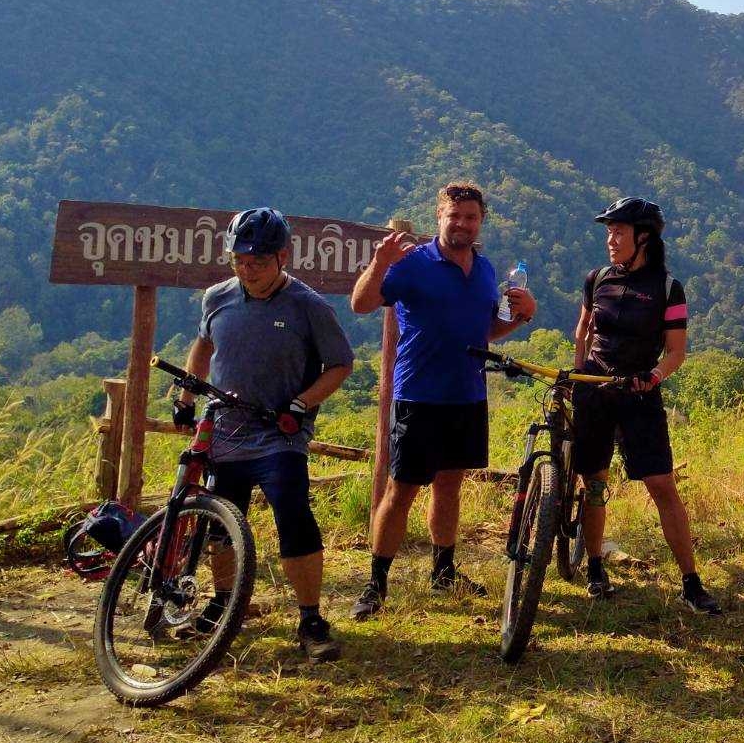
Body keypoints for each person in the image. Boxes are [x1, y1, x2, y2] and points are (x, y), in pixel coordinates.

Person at [347, 181, 537, 620]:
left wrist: (522, 317)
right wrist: (379, 264)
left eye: (471, 217)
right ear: (439, 218)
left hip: (467, 394)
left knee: (451, 486)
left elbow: (484, 332)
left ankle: (444, 571)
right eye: (454, 216)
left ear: (480, 222)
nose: (462, 224)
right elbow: (361, 303)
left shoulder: (486, 270)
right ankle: (375, 584)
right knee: (402, 490)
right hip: (418, 394)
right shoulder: (414, 264)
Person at [173, 207, 354, 661]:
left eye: (256, 261)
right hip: (226, 432)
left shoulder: (308, 306)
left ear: (282, 257)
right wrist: (186, 397)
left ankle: (311, 618)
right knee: (220, 523)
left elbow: (340, 365)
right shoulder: (217, 298)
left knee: (292, 516)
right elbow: (204, 346)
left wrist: (301, 403)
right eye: (238, 260)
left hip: (279, 433)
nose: (246, 269)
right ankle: (225, 603)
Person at [571, 197, 722, 615]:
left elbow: (675, 353)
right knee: (594, 484)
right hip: (595, 390)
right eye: (608, 231)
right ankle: (596, 566)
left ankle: (690, 582)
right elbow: (583, 330)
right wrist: (578, 374)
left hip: (639, 393)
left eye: (618, 232)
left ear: (644, 238)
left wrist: (652, 378)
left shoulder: (669, 289)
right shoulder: (597, 278)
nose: (610, 240)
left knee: (661, 486)